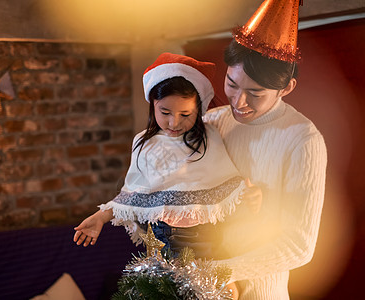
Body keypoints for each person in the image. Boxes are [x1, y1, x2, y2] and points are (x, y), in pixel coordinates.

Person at [73, 54, 261, 288]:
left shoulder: (209, 138)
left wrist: (249, 197)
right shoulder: (144, 143)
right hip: (162, 235)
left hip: (207, 236)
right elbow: (134, 194)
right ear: (153, 105)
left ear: (198, 108)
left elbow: (225, 185)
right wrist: (101, 217)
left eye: (185, 114)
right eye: (165, 112)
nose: (174, 123)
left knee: (213, 289)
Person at [200, 1, 328, 299]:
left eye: (255, 93)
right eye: (231, 84)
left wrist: (217, 271)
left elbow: (298, 246)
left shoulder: (302, 140)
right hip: (194, 282)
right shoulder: (212, 122)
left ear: (287, 88)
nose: (238, 102)